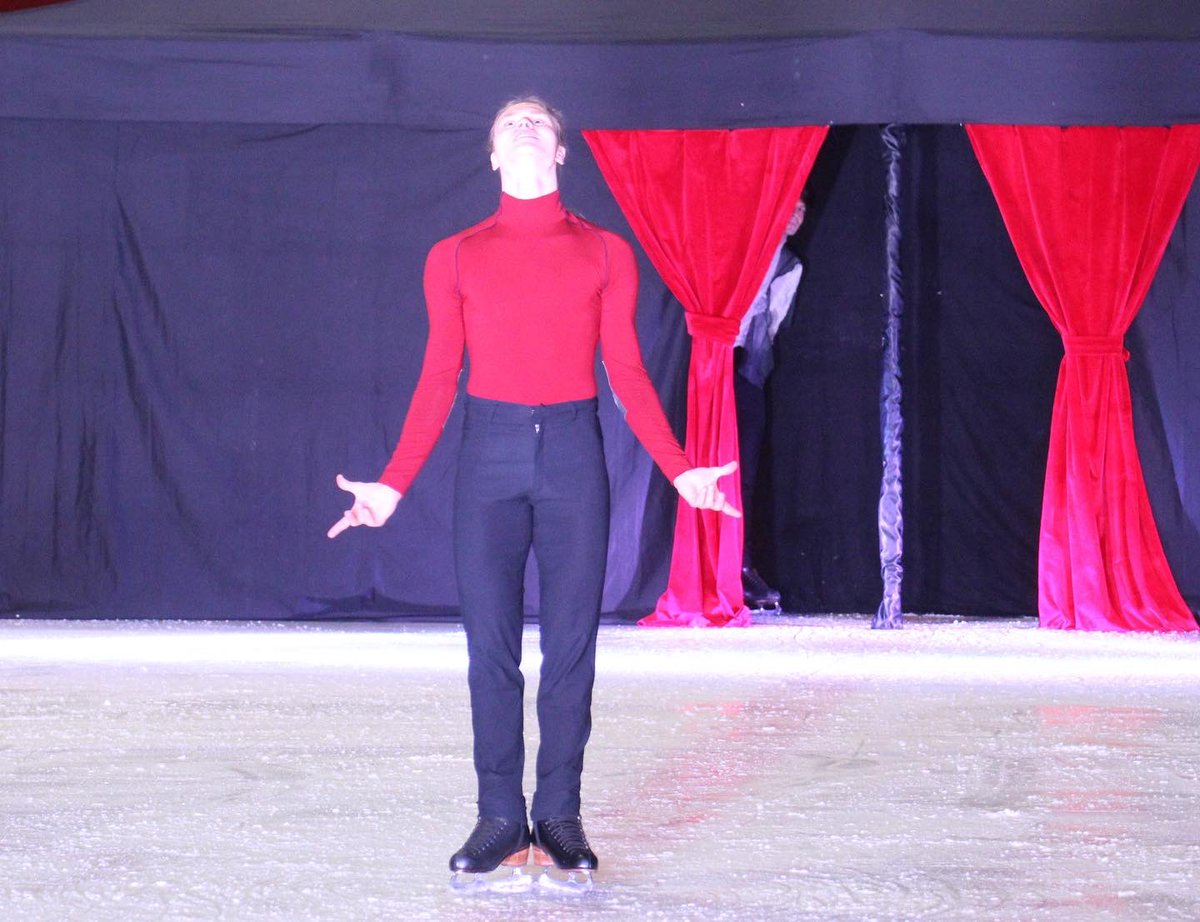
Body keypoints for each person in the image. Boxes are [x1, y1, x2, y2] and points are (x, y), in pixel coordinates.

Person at [327, 96, 740, 891]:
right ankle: (497, 819)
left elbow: (624, 370)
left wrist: (680, 466)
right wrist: (392, 485)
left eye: (538, 122)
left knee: (572, 649)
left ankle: (558, 816)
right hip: (487, 457)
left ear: (560, 153)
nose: (523, 127)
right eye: (509, 121)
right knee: (490, 648)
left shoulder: (606, 252)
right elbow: (439, 375)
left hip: (574, 460)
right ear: (491, 155)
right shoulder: (452, 256)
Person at [734, 192, 806, 612]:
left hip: (749, 367)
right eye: (791, 203)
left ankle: (741, 565)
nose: (797, 214)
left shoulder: (790, 265)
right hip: (719, 358)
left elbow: (771, 322)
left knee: (747, 472)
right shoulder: (745, 249)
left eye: (803, 208)